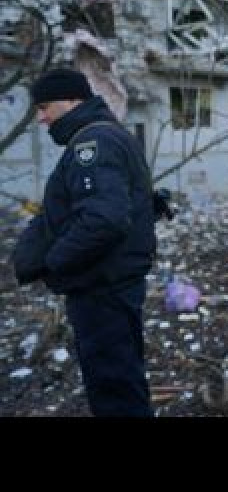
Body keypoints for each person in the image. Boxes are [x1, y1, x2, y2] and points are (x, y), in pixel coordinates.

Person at [11, 67, 156, 417]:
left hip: (102, 288)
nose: (42, 118)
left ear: (74, 100)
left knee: (115, 391)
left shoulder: (94, 142)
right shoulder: (106, 135)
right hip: (110, 284)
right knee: (120, 383)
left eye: (46, 107)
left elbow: (103, 219)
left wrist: (54, 262)